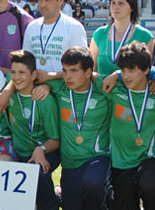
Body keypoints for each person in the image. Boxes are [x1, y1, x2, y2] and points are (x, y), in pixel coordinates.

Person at [42, 47, 111, 210]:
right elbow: (33, 75)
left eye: (74, 71)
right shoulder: (59, 88)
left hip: (97, 157)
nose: (68, 76)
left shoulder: (104, 91)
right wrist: (45, 86)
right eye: (64, 71)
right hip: (70, 163)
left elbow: (125, 84)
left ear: (89, 72)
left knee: (93, 183)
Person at [103, 42, 155, 210]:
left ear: (146, 70)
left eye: (132, 70)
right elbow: (86, 77)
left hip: (149, 157)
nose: (126, 76)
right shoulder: (114, 88)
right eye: (123, 70)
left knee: (150, 185)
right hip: (121, 162)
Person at [5, 50, 60, 209]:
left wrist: (41, 149)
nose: (16, 77)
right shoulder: (11, 93)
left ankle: (51, 204)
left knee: (38, 172)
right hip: (19, 152)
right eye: (13, 72)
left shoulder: (45, 100)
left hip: (47, 150)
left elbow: (55, 140)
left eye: (22, 72)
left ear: (34, 75)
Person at [22, 0, 88, 72]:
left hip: (64, 85)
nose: (42, 4)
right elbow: (26, 63)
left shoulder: (73, 27)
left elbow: (82, 67)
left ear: (60, 0)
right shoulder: (31, 27)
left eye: (47, 0)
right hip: (36, 85)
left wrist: (49, 77)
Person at [90, 0, 154, 75]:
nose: (116, 7)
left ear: (132, 7)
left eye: (121, 3)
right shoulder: (99, 34)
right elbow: (92, 71)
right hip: (103, 88)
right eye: (113, 3)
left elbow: (149, 72)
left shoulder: (145, 36)